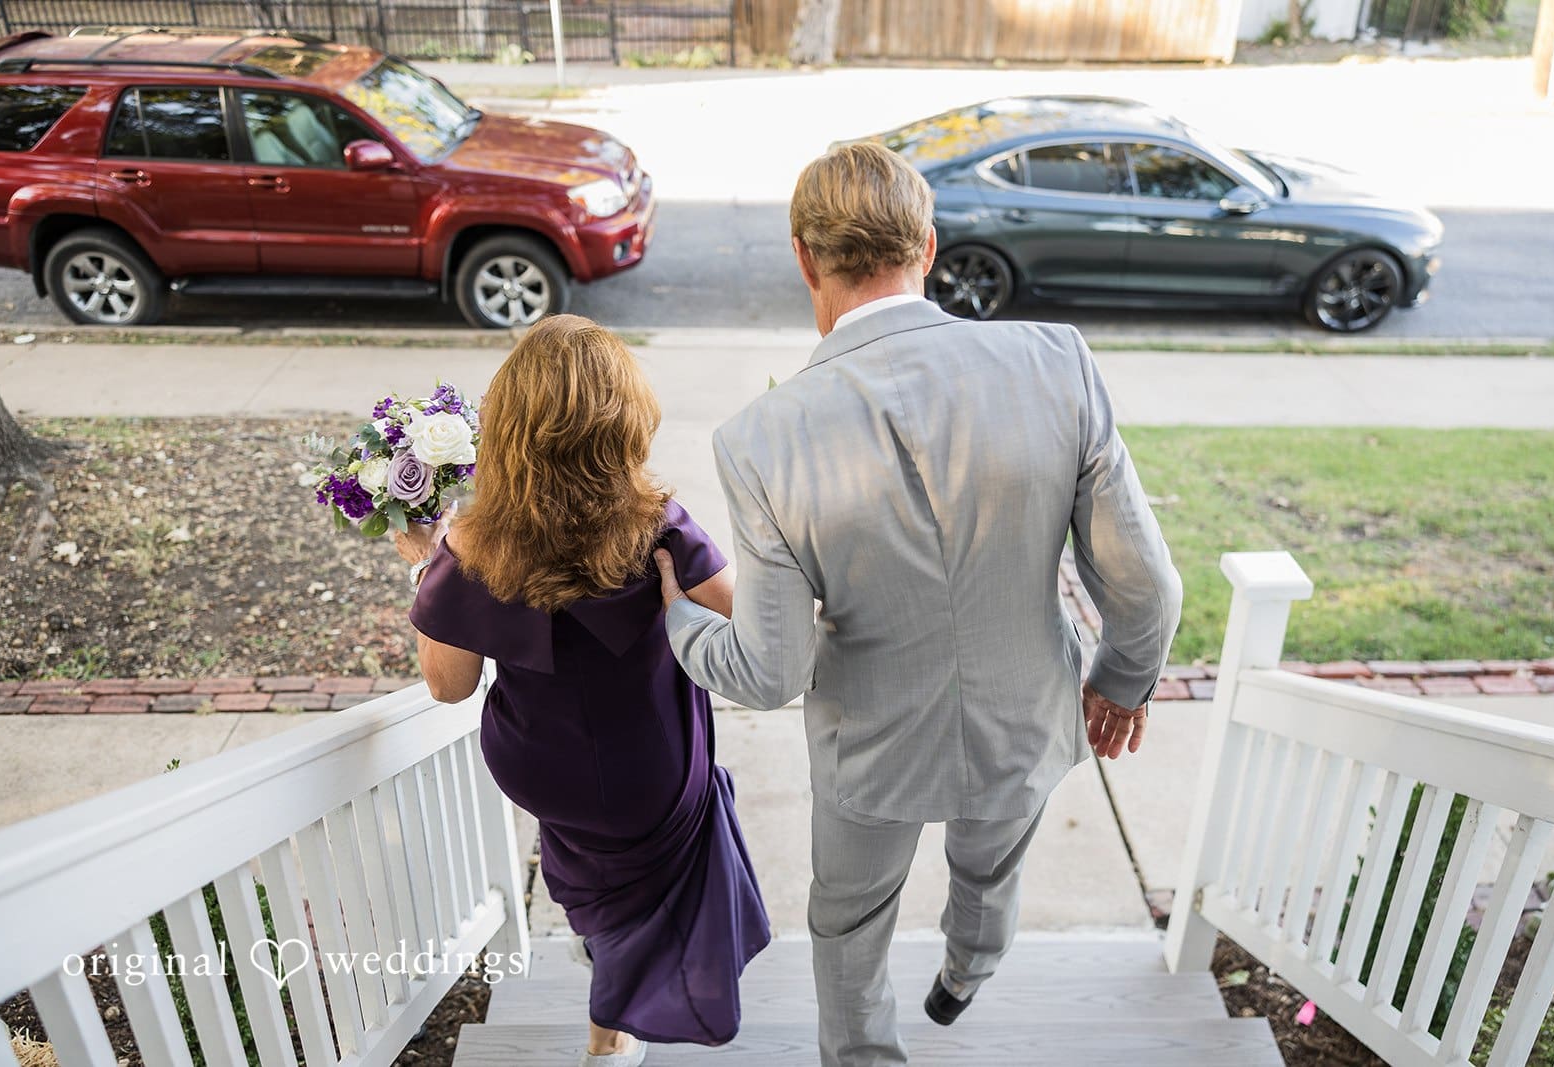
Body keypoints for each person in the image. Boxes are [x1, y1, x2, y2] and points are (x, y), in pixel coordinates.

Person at [654, 142, 1182, 1066]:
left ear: (802, 257)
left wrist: (676, 615)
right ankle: (969, 972)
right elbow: (1148, 585)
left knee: (849, 920)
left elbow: (772, 670)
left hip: (872, 757)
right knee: (989, 871)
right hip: (1028, 723)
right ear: (928, 248)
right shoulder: (1056, 362)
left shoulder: (759, 440)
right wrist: (1122, 680)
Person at [391, 314, 770, 1067]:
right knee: (642, 880)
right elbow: (761, 628)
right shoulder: (660, 527)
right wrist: (680, 611)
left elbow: (449, 686)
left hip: (545, 770)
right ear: (623, 419)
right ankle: (613, 1030)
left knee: (589, 872)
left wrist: (425, 563)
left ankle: (604, 972)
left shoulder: (472, 545)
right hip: (652, 764)